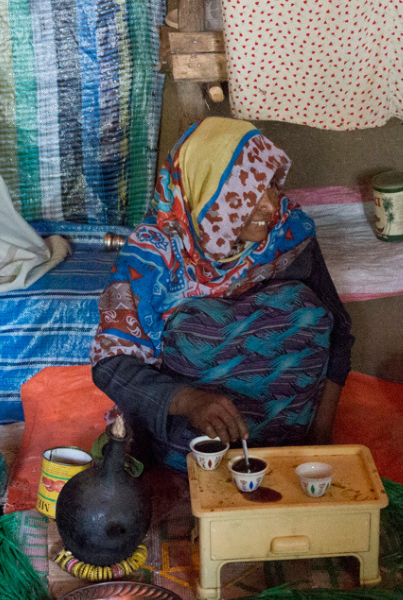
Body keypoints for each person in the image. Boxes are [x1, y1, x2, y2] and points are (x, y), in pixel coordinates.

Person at [90, 117, 354, 472]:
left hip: (293, 444)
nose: (269, 206)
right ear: (206, 200)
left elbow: (339, 331)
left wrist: (320, 437)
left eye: (271, 187)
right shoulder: (153, 256)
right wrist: (188, 401)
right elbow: (112, 365)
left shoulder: (289, 232)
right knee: (202, 327)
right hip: (197, 452)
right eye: (246, 197)